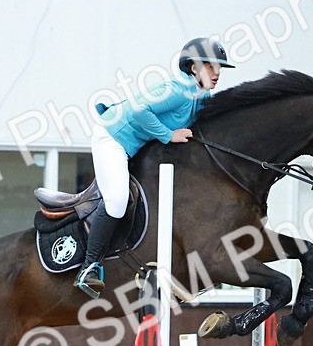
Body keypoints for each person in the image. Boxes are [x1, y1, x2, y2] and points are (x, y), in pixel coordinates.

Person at [72, 37, 235, 298]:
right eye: (210, 67)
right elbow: (138, 110)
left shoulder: (199, 96)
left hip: (133, 146)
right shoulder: (178, 90)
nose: (217, 74)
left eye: (219, 69)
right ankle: (89, 267)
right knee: (116, 200)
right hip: (111, 138)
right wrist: (168, 135)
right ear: (194, 68)